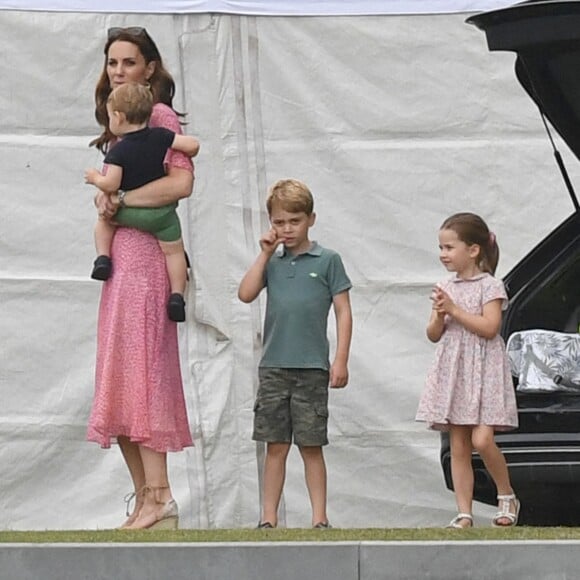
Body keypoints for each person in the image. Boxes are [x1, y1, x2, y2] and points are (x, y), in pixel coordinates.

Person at [86, 26, 194, 530]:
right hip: (122, 262)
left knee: (144, 371)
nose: (119, 71)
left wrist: (120, 201)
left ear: (150, 67)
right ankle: (146, 497)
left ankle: (161, 495)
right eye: (112, 63)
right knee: (120, 373)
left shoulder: (157, 115)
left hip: (150, 256)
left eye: (128, 62)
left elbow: (180, 183)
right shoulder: (119, 120)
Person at [238, 178, 353, 529]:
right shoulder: (272, 262)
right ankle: (268, 518)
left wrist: (340, 359)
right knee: (275, 444)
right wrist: (265, 252)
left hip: (312, 368)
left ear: (311, 219)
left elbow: (343, 311)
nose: (287, 229)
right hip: (273, 366)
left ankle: (320, 518)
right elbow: (245, 294)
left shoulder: (328, 260)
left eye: (294, 221)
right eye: (279, 222)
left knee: (311, 444)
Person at [415, 212, 520, 529]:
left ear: (473, 250)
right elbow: (434, 334)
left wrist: (455, 310)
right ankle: (464, 512)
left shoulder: (490, 286)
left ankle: (507, 495)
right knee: (458, 443)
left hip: (483, 370)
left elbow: (490, 327)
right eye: (441, 247)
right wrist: (438, 314)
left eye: (449, 247)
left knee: (483, 438)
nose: (443, 254)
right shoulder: (444, 286)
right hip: (455, 371)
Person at [84, 82, 200, 322]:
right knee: (174, 251)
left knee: (104, 221)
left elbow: (112, 185)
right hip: (161, 215)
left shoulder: (119, 151)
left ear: (119, 117)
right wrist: (189, 146)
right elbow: (192, 145)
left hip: (127, 213)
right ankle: (177, 294)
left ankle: (103, 258)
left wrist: (96, 178)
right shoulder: (160, 136)